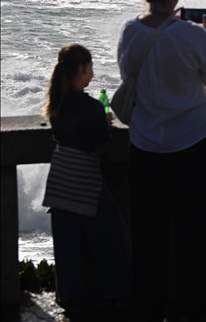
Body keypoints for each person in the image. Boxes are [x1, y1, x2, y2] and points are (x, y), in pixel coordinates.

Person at [117, 0, 206, 322]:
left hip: (145, 147)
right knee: (192, 237)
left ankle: (149, 310)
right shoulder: (192, 34)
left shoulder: (129, 32)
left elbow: (128, 74)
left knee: (148, 238)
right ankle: (189, 313)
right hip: (190, 148)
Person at [42, 43, 133, 315]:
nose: (92, 73)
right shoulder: (91, 107)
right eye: (91, 67)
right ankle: (120, 293)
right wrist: (105, 123)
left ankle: (73, 295)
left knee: (67, 242)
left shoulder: (55, 102)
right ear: (84, 68)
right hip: (85, 179)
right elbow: (100, 148)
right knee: (109, 236)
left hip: (59, 178)